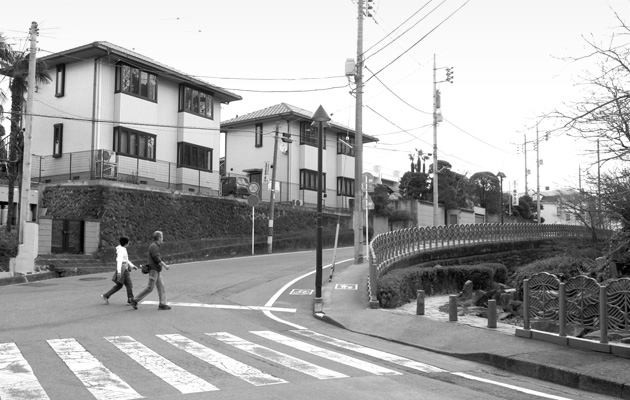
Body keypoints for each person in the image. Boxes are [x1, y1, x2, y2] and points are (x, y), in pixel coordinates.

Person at [130, 231, 171, 310]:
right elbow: (157, 258)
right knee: (150, 288)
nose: (162, 238)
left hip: (157, 270)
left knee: (161, 286)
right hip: (154, 270)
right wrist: (165, 266)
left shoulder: (155, 246)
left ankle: (162, 303)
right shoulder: (154, 246)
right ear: (159, 238)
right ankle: (134, 300)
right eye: (162, 237)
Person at [102, 236, 137, 305]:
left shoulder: (122, 249)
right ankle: (130, 299)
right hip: (123, 268)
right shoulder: (121, 250)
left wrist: (132, 266)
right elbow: (119, 261)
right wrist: (119, 272)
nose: (129, 243)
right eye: (128, 242)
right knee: (129, 284)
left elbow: (126, 260)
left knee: (119, 285)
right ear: (126, 243)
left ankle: (106, 295)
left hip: (123, 267)